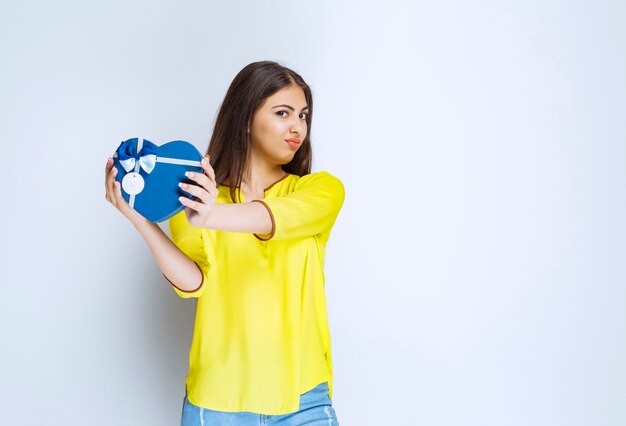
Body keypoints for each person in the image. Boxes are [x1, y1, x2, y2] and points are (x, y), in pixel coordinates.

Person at [104, 60, 345, 425]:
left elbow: (270, 218)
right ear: (246, 119)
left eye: (303, 115)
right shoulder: (195, 199)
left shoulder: (320, 190)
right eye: (283, 113)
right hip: (216, 405)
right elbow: (194, 282)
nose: (298, 126)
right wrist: (141, 220)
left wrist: (210, 214)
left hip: (304, 400)